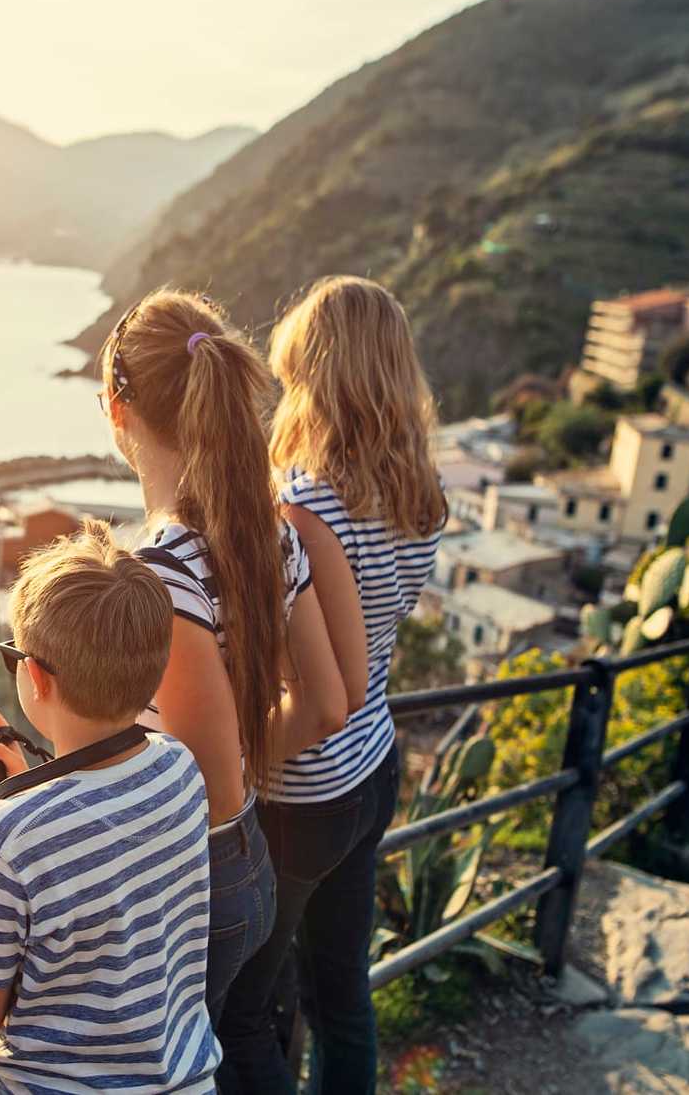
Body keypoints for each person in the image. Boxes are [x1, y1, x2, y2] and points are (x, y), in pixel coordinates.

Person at [0, 522, 219, 1092]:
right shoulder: (179, 767)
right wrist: (32, 785)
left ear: (34, 676)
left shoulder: (7, 836)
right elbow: (102, 850)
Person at [95, 289, 350, 1036]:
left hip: (177, 884)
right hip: (245, 861)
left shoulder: (155, 575)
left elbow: (204, 784)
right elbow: (327, 705)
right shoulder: (273, 536)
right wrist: (242, 749)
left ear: (118, 408)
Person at [220, 276, 446, 1093]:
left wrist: (231, 765)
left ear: (317, 373)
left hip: (305, 788)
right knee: (340, 992)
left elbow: (321, 693)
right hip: (375, 766)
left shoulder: (307, 504)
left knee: (240, 1017)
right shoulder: (417, 492)